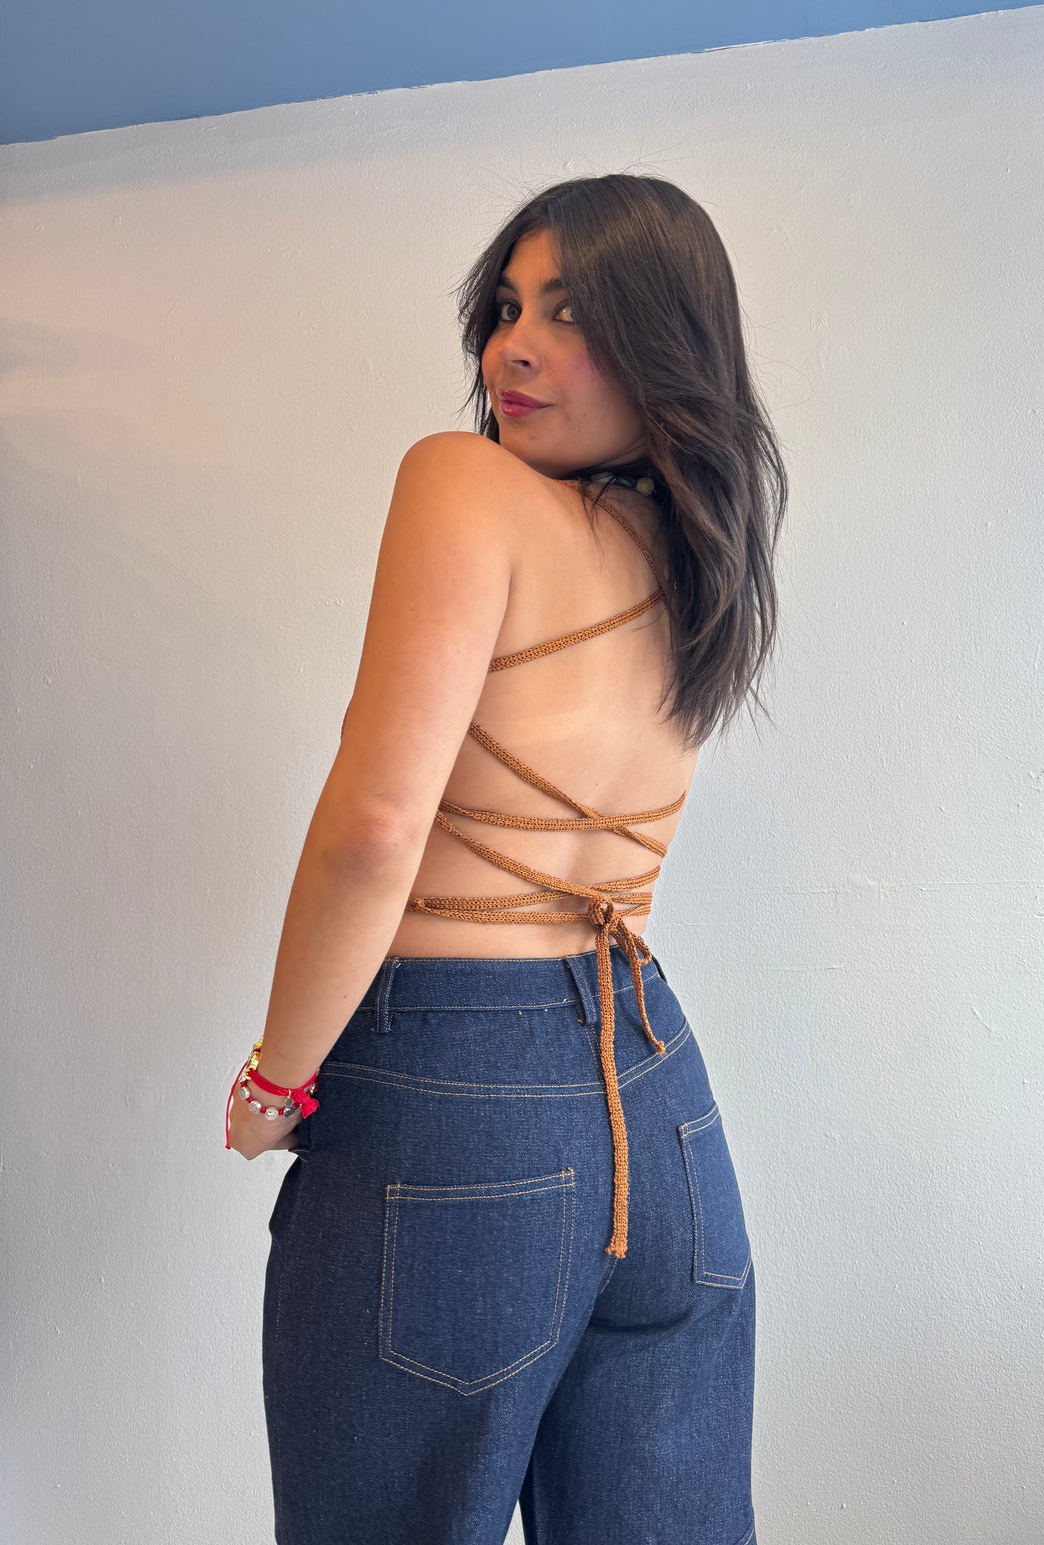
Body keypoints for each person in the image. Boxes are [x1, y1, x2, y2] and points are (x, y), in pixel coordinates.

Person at [225, 172, 788, 1544]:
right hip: (663, 1107)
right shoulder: (698, 559)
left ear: (665, 342)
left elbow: (375, 828)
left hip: (454, 1098)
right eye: (507, 309)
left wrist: (278, 1077)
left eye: (571, 314)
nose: (512, 350)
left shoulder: (460, 484)